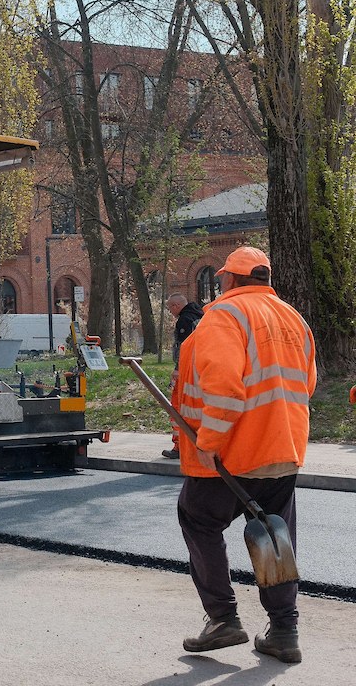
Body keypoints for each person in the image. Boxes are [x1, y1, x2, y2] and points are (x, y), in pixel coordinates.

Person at [171, 246, 315, 664]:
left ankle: (223, 619)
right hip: (283, 449)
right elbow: (307, 384)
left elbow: (226, 390)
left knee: (198, 518)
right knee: (274, 533)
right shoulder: (295, 319)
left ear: (232, 279)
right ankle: (284, 631)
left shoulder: (224, 316)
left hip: (232, 455)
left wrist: (209, 443)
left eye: (222, 278)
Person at [163, 292, 204, 459]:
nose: (171, 312)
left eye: (170, 308)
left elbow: (183, 347)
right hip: (200, 370)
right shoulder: (200, 315)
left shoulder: (184, 320)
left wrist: (178, 368)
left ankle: (179, 446)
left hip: (186, 371)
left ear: (176, 306)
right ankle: (196, 444)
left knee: (177, 406)